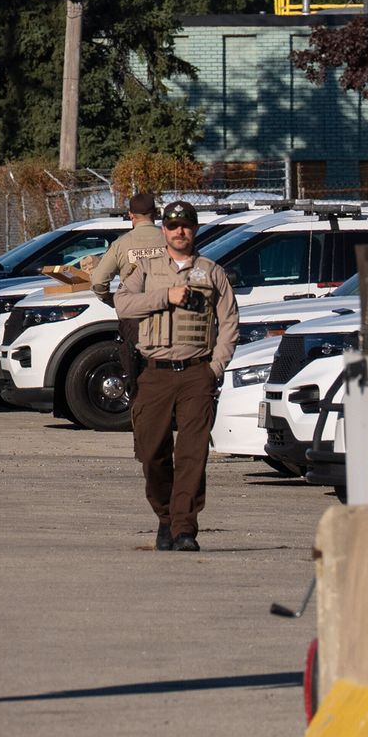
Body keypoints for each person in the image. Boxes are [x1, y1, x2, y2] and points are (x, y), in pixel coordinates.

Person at [113, 201, 240, 553]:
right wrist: (164, 297)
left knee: (192, 454)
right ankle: (165, 516)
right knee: (152, 452)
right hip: (154, 373)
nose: (179, 231)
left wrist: (215, 368)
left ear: (195, 229)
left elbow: (229, 323)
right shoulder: (147, 269)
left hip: (197, 373)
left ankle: (185, 528)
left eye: (186, 225)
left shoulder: (212, 272)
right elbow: (122, 304)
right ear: (164, 230)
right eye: (173, 226)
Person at [88, 192, 168, 398]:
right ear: (156, 214)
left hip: (134, 318)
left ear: (131, 215)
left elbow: (98, 281)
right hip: (169, 315)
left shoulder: (122, 244)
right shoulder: (170, 241)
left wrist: (112, 301)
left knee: (137, 376)